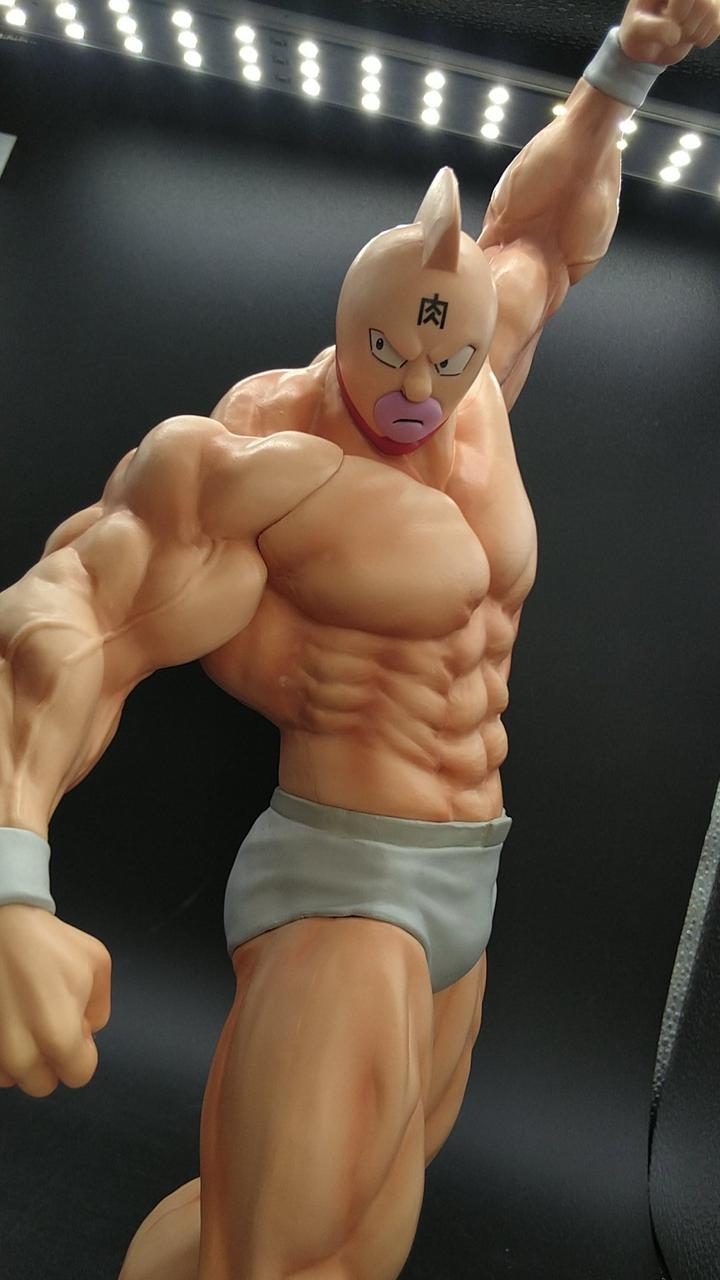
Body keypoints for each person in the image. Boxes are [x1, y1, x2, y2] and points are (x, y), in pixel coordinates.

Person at [0, 3, 718, 1277]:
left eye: (443, 363)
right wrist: (11, 875)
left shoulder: (476, 376)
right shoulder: (254, 451)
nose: (414, 393)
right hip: (344, 889)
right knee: (297, 1260)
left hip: (465, 879)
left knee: (319, 1231)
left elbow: (542, 236)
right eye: (386, 355)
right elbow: (76, 613)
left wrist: (626, 67)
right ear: (347, 327)